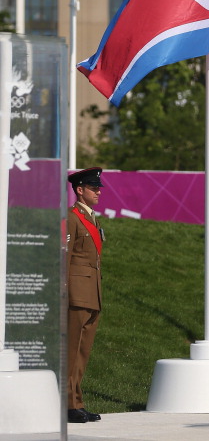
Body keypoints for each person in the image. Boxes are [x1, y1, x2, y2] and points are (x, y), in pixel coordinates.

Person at [67, 167, 105, 424]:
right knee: (71, 352)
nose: (98, 191)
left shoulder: (91, 218)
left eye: (99, 187)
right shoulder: (71, 218)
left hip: (91, 293)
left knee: (82, 352)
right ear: (79, 190)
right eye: (93, 187)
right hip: (75, 294)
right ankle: (68, 404)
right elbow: (64, 256)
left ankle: (76, 402)